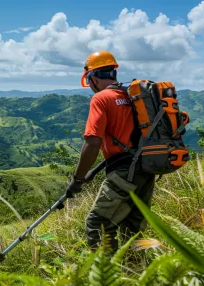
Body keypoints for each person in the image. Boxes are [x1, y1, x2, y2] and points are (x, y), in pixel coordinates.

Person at [66, 51, 155, 252]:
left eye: (89, 80)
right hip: (146, 168)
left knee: (97, 225)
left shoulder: (101, 99)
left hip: (124, 171)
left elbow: (93, 142)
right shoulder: (131, 94)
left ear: (93, 78)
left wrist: (78, 179)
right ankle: (137, 272)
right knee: (134, 227)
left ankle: (105, 278)